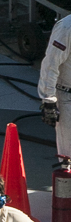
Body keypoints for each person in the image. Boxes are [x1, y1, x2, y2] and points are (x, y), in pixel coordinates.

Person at [37, 12, 71, 159]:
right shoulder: (66, 28)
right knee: (68, 156)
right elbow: (50, 65)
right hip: (67, 98)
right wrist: (48, 100)